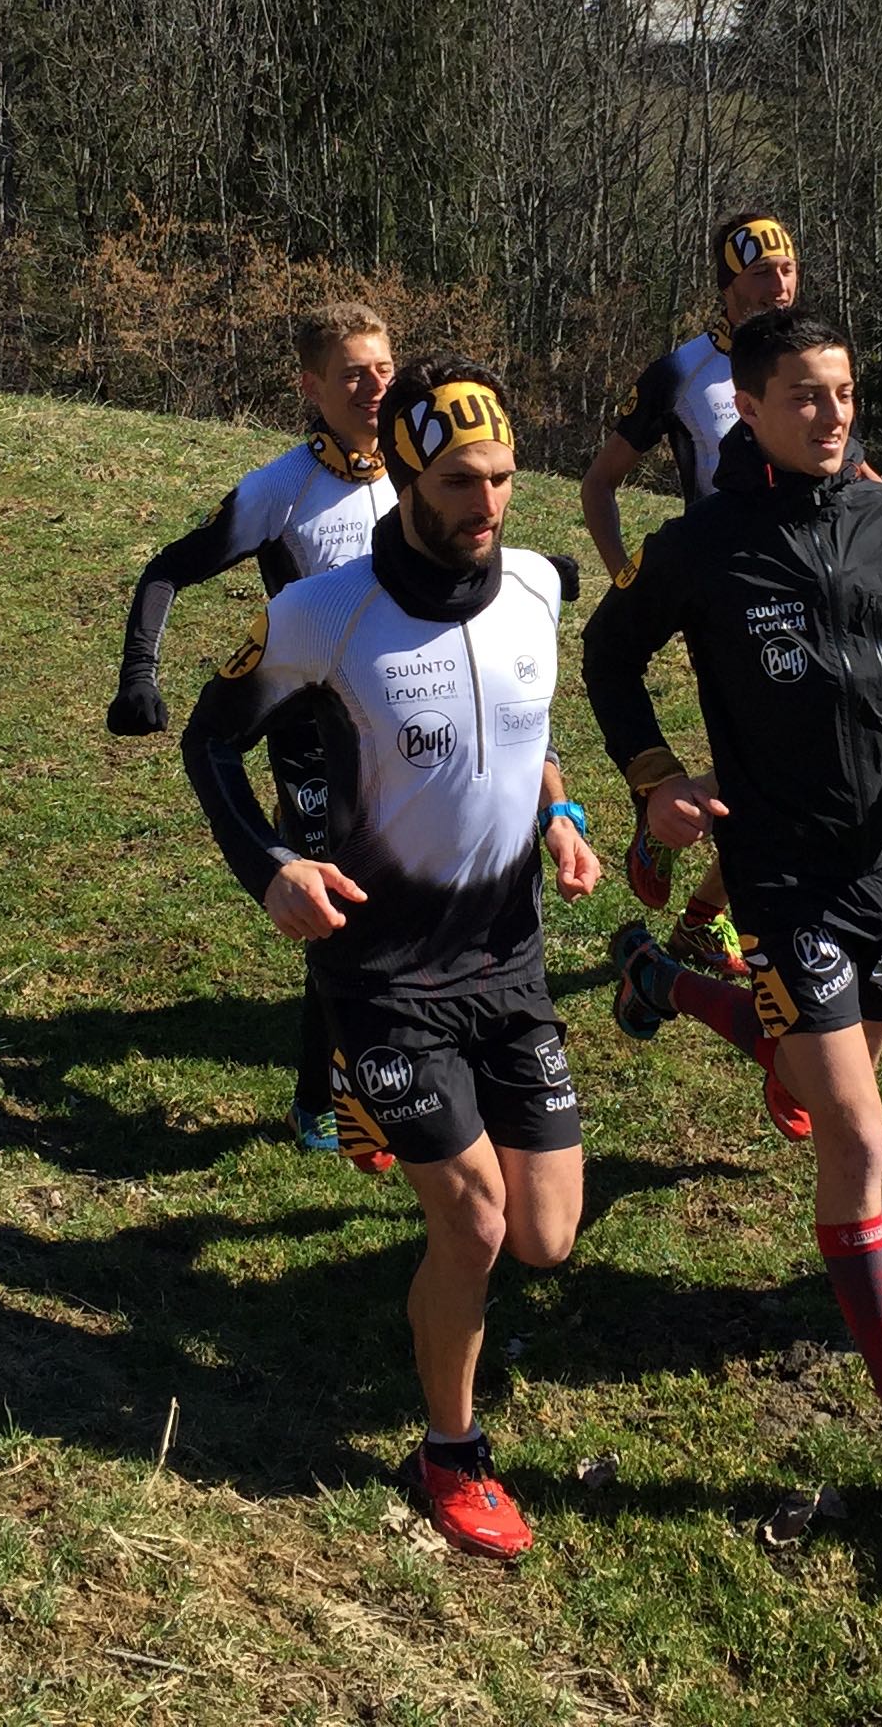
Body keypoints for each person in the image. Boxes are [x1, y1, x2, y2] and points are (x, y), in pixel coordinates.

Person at [581, 309, 882, 1548]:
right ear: (747, 408)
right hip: (782, 873)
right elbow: (610, 655)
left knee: (809, 1087)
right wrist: (653, 779)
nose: (832, 414)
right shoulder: (702, 544)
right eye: (804, 395)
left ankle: (662, 982)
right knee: (854, 1132)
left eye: (843, 393)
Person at [180, 360, 600, 1562]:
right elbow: (210, 744)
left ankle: (404, 1164)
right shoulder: (325, 615)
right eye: (462, 481)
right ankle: (450, 1451)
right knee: (474, 1226)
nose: (489, 504)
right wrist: (271, 867)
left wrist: (561, 816)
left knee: (547, 1237)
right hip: (382, 972)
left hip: (508, 962)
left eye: (504, 478)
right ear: (409, 478)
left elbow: (522, 728)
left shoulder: (536, 587)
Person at [110, 301, 396, 1161]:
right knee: (339, 909)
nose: (375, 387)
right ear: (312, 387)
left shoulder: (417, 463)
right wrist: (138, 675)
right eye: (353, 374)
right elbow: (168, 569)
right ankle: (323, 1100)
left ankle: (380, 1072)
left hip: (401, 721)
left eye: (384, 368)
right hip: (306, 731)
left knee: (403, 899)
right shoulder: (282, 488)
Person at [577, 212, 869, 989]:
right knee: (784, 768)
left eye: (788, 269)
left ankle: (697, 900)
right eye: (760, 273)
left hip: (816, 580)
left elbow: (851, 472)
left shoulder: (809, 363)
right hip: (725, 591)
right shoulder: (681, 371)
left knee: (796, 765)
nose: (779, 286)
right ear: (726, 285)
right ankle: (697, 898)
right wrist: (629, 583)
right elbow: (600, 483)